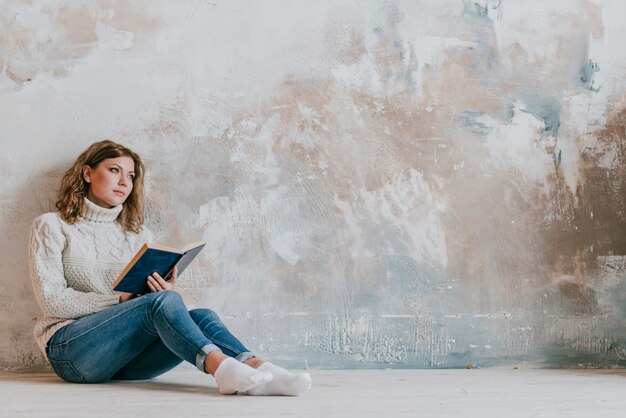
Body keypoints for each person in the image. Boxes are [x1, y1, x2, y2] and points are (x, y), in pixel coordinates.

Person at [28, 139, 311, 396]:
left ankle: (261, 368)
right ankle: (221, 370)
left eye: (130, 176)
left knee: (202, 315)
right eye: (114, 170)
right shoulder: (52, 226)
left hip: (125, 362)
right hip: (72, 352)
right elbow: (53, 301)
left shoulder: (138, 234)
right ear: (87, 173)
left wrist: (158, 293)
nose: (124, 182)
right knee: (163, 302)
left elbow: (144, 305)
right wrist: (121, 299)